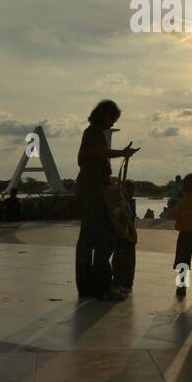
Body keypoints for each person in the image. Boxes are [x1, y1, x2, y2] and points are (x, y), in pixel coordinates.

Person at [75, 100, 139, 300]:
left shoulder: (92, 133)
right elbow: (97, 152)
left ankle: (87, 286)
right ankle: (101, 286)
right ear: (105, 116)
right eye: (112, 120)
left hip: (90, 190)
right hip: (93, 193)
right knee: (103, 238)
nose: (112, 124)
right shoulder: (93, 133)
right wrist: (121, 153)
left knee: (88, 239)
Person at [111, 181, 138, 298]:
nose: (132, 192)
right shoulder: (122, 202)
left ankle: (125, 282)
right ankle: (121, 281)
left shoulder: (128, 202)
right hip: (123, 235)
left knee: (127, 260)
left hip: (127, 235)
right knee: (122, 259)